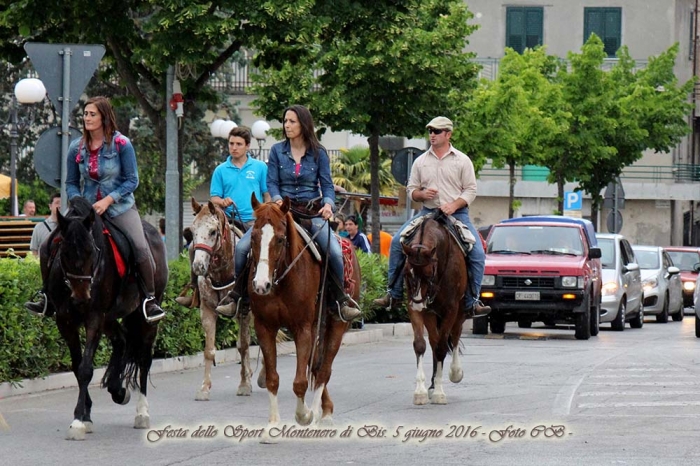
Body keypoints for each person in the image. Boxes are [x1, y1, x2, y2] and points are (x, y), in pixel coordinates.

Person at [25, 96, 165, 323]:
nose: (87, 118)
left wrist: (108, 200)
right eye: (85, 114)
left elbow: (132, 180)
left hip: (120, 208)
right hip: (85, 211)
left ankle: (149, 299)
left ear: (104, 117)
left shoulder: (122, 144)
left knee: (141, 247)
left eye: (92, 114)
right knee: (46, 245)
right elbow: (70, 182)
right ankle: (47, 296)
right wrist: (78, 201)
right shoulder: (76, 147)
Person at [221, 104, 361, 321]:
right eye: (285, 121)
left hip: (310, 213)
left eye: (291, 121)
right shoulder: (277, 150)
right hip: (281, 212)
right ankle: (238, 298)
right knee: (241, 248)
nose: (287, 125)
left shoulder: (319, 153)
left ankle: (340, 301)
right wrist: (277, 200)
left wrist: (328, 205)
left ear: (303, 124)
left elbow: (327, 184)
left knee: (333, 251)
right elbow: (272, 182)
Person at [373, 116, 490, 318]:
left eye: (437, 131)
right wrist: (421, 194)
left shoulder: (462, 160)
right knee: (395, 242)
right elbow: (411, 190)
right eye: (430, 131)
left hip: (458, 214)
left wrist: (454, 205)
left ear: (448, 134)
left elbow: (471, 191)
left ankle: (473, 301)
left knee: (478, 253)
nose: (432, 135)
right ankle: (393, 293)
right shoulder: (421, 161)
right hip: (427, 213)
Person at [176, 126, 270, 307]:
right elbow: (214, 198)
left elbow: (266, 194)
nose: (234, 147)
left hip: (253, 221)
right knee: (192, 248)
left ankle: (257, 294)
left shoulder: (259, 168)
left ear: (248, 146)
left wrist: (265, 210)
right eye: (231, 143)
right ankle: (195, 289)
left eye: (239, 144)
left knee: (257, 251)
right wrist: (223, 201)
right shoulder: (220, 170)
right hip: (226, 220)